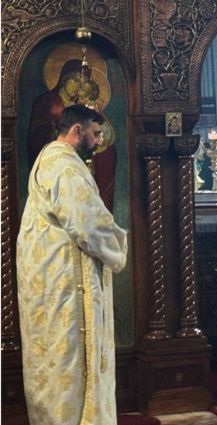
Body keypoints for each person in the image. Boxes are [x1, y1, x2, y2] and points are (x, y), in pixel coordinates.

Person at [16, 104, 128, 424]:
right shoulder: (64, 166)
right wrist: (119, 245)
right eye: (95, 134)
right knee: (67, 357)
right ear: (77, 131)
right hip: (64, 282)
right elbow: (87, 221)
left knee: (55, 356)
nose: (99, 142)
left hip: (51, 277)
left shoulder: (51, 158)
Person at [27, 58, 117, 212]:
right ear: (64, 78)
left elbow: (106, 135)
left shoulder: (85, 106)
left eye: (82, 83)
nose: (78, 87)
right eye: (75, 80)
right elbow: (39, 135)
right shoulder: (47, 101)